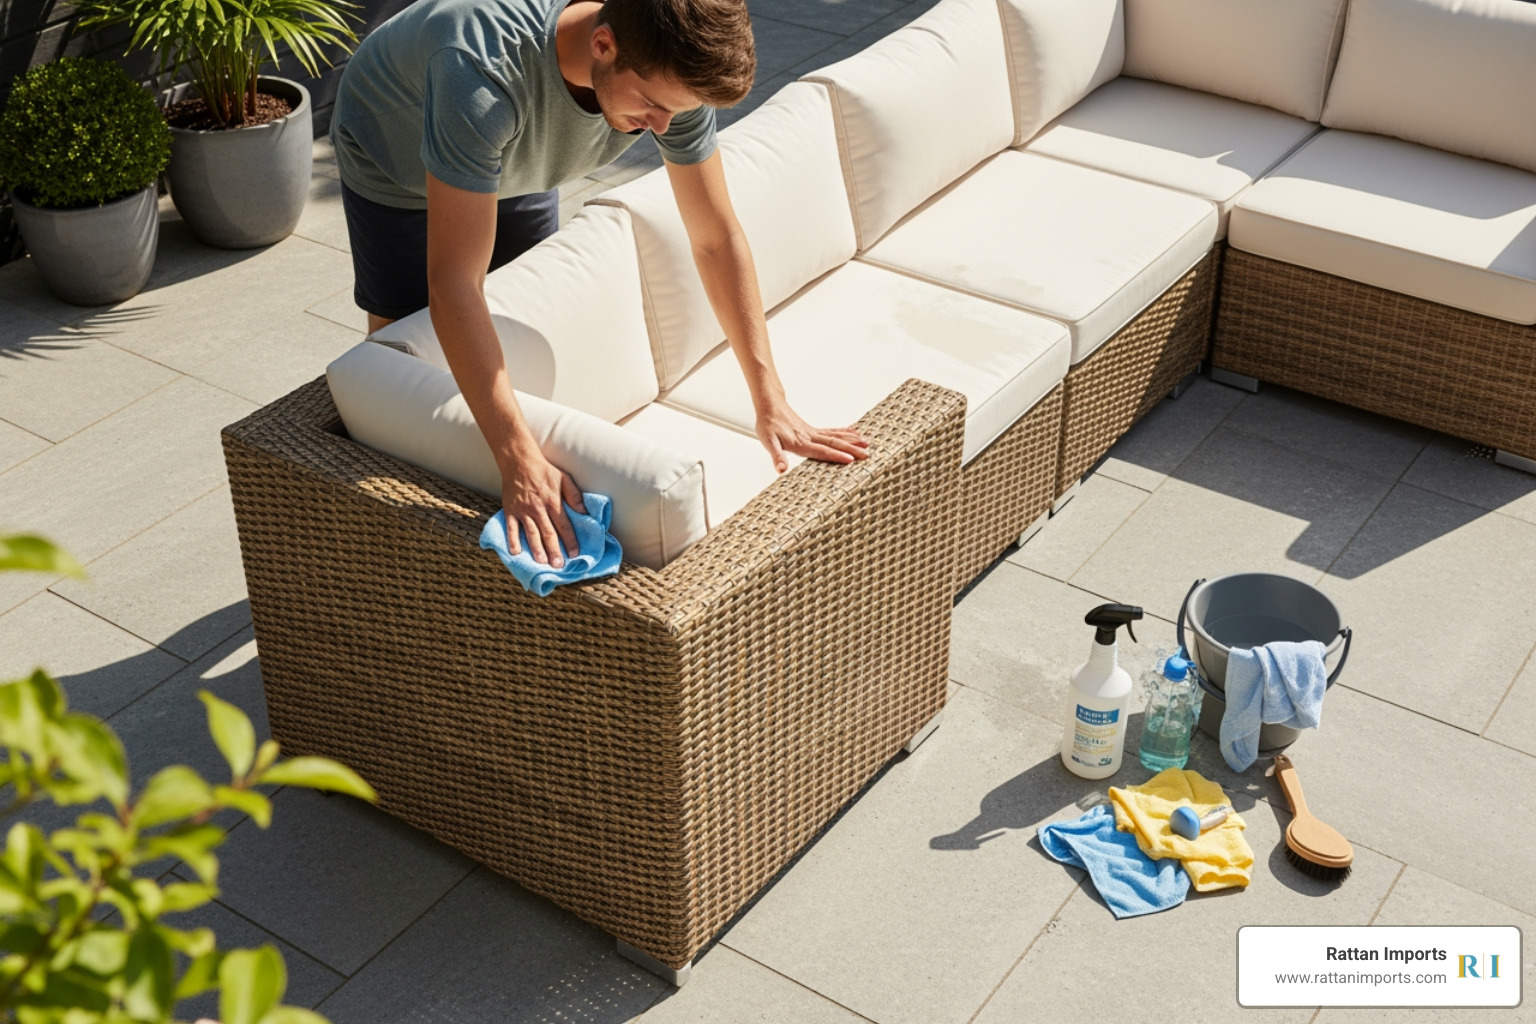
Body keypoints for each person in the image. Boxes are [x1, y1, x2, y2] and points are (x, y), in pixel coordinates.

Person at [331, 0, 868, 569]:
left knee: (517, 338)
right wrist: (517, 459)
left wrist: (771, 399)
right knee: (403, 368)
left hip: (514, 154)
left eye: (676, 112)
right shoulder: (482, 72)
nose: (664, 127)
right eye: (654, 107)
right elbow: (454, 285)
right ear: (604, 45)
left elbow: (714, 236)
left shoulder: (666, 75)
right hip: (395, 157)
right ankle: (389, 548)